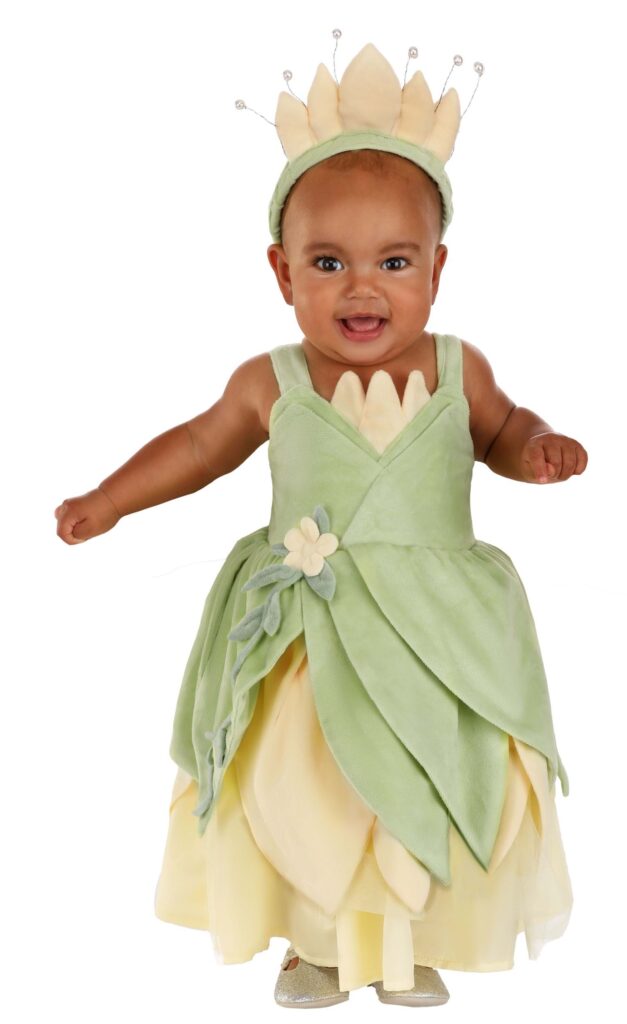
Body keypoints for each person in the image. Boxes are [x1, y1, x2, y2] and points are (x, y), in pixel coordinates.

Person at [54, 39, 587, 1009]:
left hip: (436, 636)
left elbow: (503, 429)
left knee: (431, 769)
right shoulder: (274, 380)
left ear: (437, 269)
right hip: (313, 632)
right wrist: (111, 499)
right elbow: (200, 445)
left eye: (395, 261)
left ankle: (412, 941)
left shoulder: (459, 369)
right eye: (328, 262)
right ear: (281, 270)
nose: (361, 288)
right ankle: (317, 944)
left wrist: (537, 445)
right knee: (314, 788)